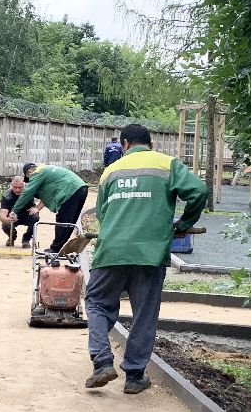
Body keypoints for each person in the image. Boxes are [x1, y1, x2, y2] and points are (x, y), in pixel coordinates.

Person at [84, 123, 208, 394]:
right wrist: (185, 223)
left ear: (125, 144)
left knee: (97, 303)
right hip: (150, 254)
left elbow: (102, 214)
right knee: (144, 314)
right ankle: (134, 376)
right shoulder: (167, 164)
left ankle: (102, 361)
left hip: (112, 250)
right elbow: (198, 191)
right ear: (150, 143)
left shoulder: (111, 171)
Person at [12, 161, 88, 253]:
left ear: (29, 172)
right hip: (81, 188)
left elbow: (27, 192)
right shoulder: (45, 170)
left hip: (71, 190)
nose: (30, 181)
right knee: (69, 221)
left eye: (29, 179)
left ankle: (55, 249)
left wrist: (15, 210)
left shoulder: (37, 173)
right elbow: (47, 192)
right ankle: (60, 248)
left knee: (63, 220)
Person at [0, 175, 42, 248]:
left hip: (28, 215)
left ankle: (26, 239)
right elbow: (2, 215)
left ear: (24, 185)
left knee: (35, 217)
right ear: (11, 185)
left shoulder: (31, 189)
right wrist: (7, 220)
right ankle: (12, 237)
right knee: (5, 225)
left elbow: (46, 197)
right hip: (13, 216)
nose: (17, 190)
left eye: (20, 187)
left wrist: (37, 208)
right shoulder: (7, 195)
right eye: (15, 187)